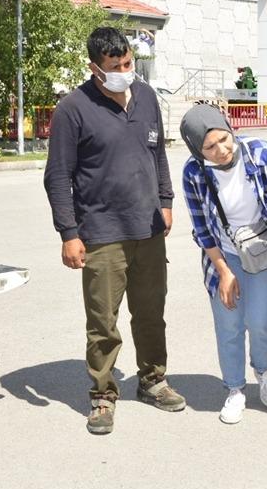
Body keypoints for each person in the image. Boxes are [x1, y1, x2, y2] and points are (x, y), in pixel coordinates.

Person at [43, 27, 185, 436]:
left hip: (149, 228)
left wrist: (166, 201)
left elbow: (157, 152)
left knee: (150, 313)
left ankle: (153, 380)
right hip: (101, 233)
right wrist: (69, 233)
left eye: (128, 63)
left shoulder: (146, 97)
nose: (125, 71)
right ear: (94, 68)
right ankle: (103, 394)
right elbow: (58, 176)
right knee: (103, 320)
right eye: (116, 67)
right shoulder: (73, 108)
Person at [179, 104, 267, 424]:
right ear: (196, 148)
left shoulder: (262, 154)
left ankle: (264, 370)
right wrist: (224, 271)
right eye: (209, 147)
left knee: (261, 322)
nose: (221, 150)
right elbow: (202, 229)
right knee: (229, 325)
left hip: (264, 249)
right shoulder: (193, 173)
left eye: (224, 139)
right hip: (223, 255)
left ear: (231, 129)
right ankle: (234, 388)